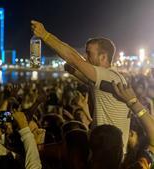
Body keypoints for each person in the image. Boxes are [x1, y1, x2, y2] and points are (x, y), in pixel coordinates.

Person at [31, 20, 130, 153]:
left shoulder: (108, 75)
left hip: (108, 154)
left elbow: (74, 58)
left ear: (103, 57)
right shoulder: (108, 79)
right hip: (109, 151)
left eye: (89, 54)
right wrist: (72, 69)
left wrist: (45, 35)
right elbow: (78, 69)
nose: (86, 58)